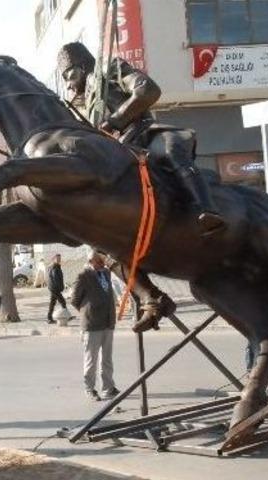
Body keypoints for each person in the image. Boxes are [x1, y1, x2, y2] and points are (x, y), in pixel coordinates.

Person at [57, 41, 224, 236]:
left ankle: (206, 210)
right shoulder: (86, 101)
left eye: (68, 77)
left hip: (143, 134)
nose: (68, 85)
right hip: (119, 147)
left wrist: (114, 121)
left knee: (170, 151)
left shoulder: (110, 69)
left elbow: (148, 90)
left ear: (82, 67)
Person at [71, 249, 119, 401]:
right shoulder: (83, 276)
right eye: (99, 261)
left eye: (102, 261)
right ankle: (89, 389)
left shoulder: (106, 273)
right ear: (91, 261)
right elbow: (74, 299)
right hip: (92, 324)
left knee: (107, 359)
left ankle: (108, 387)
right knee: (91, 360)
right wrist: (88, 310)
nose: (102, 264)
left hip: (108, 322)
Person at [46, 254, 66, 324]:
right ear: (54, 259)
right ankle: (66, 316)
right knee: (63, 302)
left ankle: (49, 318)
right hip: (55, 288)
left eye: (59, 259)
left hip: (52, 287)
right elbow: (56, 278)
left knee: (52, 303)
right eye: (57, 259)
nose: (59, 260)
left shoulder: (51, 266)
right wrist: (61, 287)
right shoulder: (55, 267)